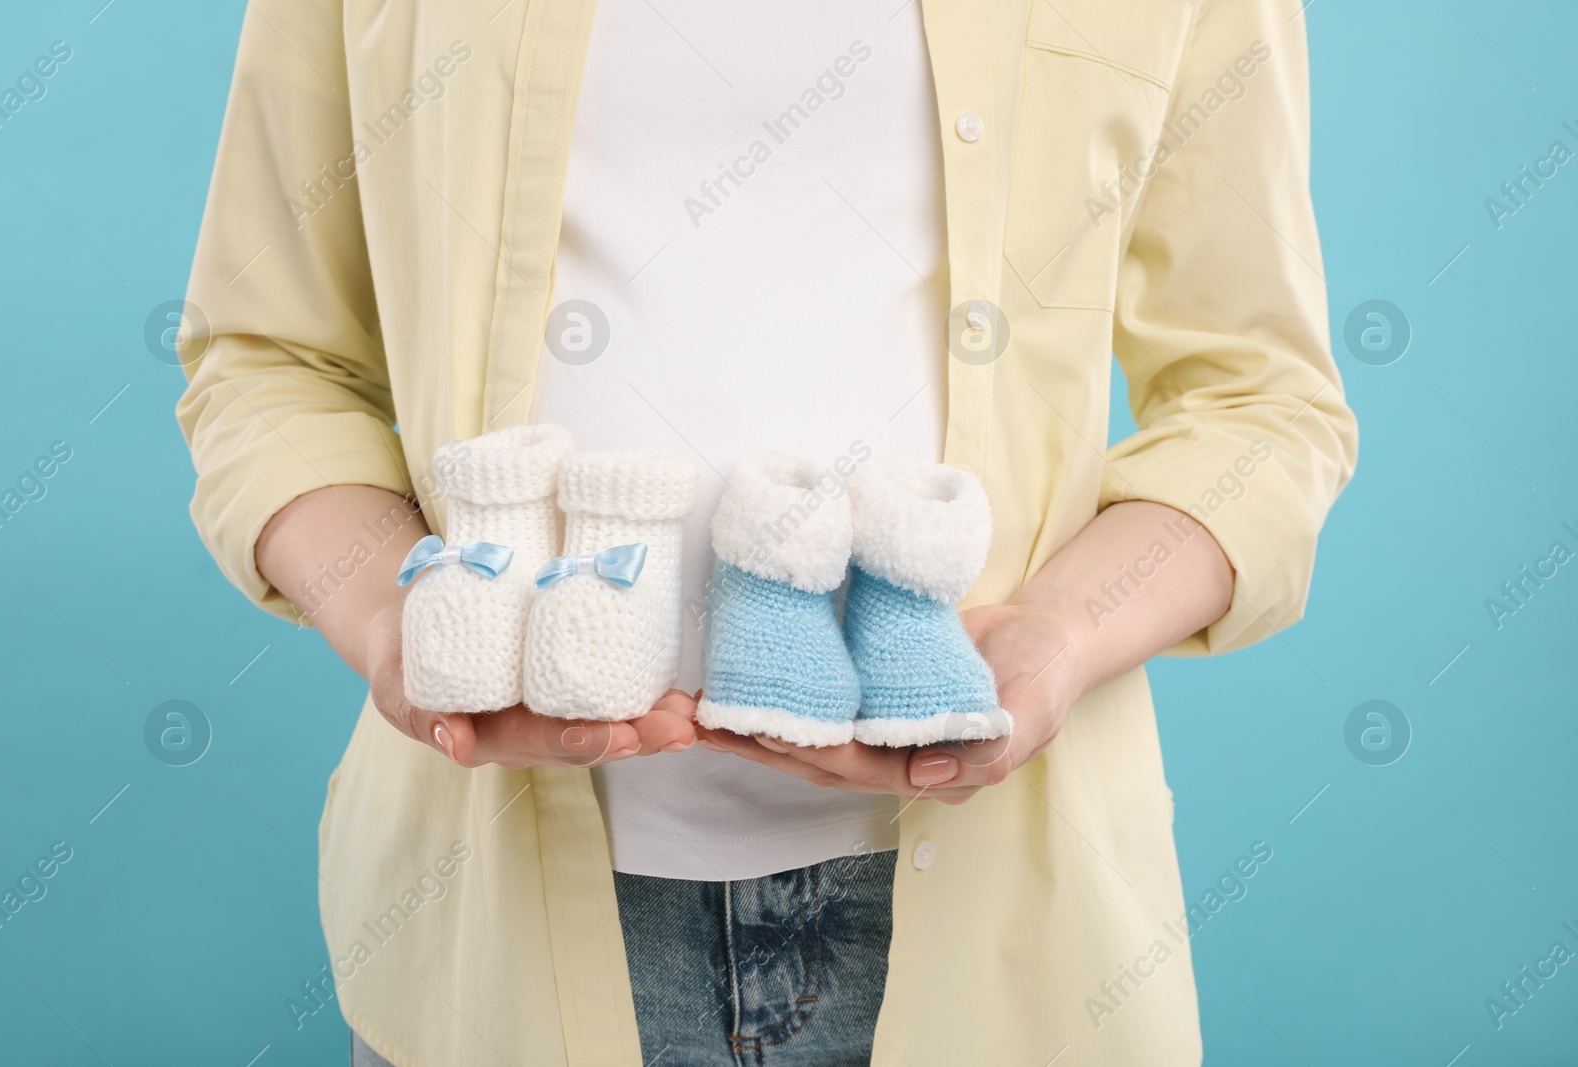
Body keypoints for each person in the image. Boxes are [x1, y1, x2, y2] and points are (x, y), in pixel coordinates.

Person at [177, 0, 1355, 1063]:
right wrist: (396, 617)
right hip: (489, 933)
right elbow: (267, 356)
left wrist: (1059, 631)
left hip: (1009, 938)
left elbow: (1256, 401)